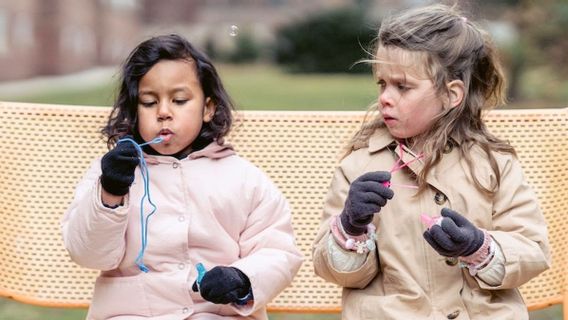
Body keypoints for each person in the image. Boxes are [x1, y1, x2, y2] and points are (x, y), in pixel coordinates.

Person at [312, 4, 550, 319]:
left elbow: (532, 249)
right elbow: (340, 274)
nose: (384, 97)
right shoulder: (358, 166)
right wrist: (351, 226)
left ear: (452, 95)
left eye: (402, 86)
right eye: (382, 84)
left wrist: (478, 246)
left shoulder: (494, 164)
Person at [61, 34, 303, 320]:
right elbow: (88, 255)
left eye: (179, 100)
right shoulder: (112, 174)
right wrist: (110, 193)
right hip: (131, 313)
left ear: (208, 109)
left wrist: (241, 278)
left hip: (215, 313)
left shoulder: (244, 179)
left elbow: (278, 252)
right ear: (133, 111)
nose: (164, 112)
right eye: (149, 103)